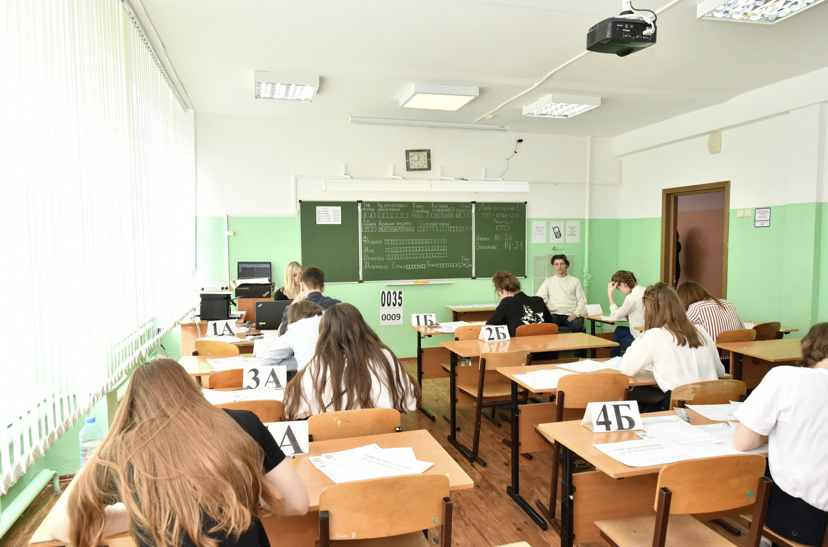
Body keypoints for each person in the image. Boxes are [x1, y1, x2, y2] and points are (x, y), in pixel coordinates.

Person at [46, 358, 309, 547]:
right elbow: (297, 503)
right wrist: (238, 500)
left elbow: (60, 526)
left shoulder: (119, 452)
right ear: (192, 389)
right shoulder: (243, 423)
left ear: (133, 406)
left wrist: (144, 515)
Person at [734, 323, 828, 547]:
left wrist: (771, 432)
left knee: (759, 471)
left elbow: (743, 442)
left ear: (808, 347)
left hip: (806, 519)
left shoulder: (786, 377)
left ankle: (764, 539)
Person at [283, 303, 421, 420]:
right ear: (362, 327)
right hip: (381, 436)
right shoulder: (384, 356)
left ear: (324, 333)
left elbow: (291, 410)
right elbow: (410, 401)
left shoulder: (318, 365)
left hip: (333, 438)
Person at [620, 282, 725, 412]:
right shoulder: (700, 330)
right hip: (710, 401)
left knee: (635, 394)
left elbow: (627, 369)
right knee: (640, 392)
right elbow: (720, 372)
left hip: (681, 405)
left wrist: (640, 338)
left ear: (649, 310)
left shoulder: (654, 335)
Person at [535, 254, 587, 356]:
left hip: (570, 314)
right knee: (545, 328)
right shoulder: (548, 282)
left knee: (578, 327)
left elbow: (582, 301)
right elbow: (538, 298)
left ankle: (580, 357)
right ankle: (550, 356)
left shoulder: (575, 281)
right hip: (554, 314)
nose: (559, 266)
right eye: (556, 264)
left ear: (566, 265)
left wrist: (576, 314)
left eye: (562, 264)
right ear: (553, 266)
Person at [261, 300, 323, 373]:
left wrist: (301, 361)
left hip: (310, 376)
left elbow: (267, 362)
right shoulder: (331, 321)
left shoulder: (295, 328)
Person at [487, 271, 553, 337]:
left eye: (500, 295)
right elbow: (551, 325)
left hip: (519, 343)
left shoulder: (507, 302)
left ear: (504, 291)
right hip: (542, 342)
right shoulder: (539, 300)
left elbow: (488, 327)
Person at [279, 266, 340, 335]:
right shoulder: (337, 305)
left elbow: (282, 333)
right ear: (323, 287)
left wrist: (292, 305)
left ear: (302, 286)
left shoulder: (293, 309)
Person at [677, 281, 744, 342]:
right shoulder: (728, 304)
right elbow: (742, 329)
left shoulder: (697, 307)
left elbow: (677, 328)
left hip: (713, 351)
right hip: (734, 351)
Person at [607, 270, 646, 357]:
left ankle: (615, 360)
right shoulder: (645, 290)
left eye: (619, 289)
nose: (620, 291)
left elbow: (615, 316)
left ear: (623, 284)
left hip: (640, 335)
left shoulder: (631, 297)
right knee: (619, 330)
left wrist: (610, 293)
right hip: (648, 332)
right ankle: (614, 359)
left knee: (622, 339)